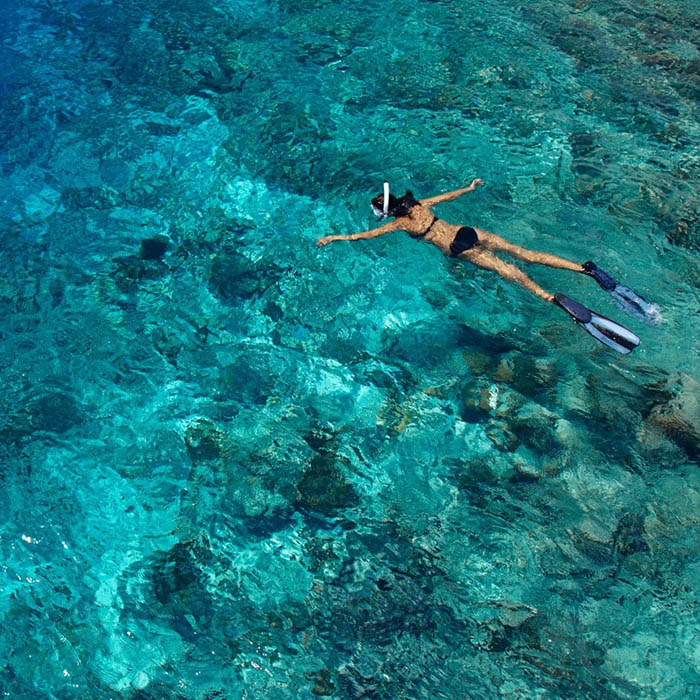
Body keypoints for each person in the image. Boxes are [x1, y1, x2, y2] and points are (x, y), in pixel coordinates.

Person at [316, 180, 658, 354]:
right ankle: (584, 268)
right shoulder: (420, 205)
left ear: (391, 212)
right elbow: (449, 197)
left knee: (512, 274)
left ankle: (551, 298)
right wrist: (470, 186)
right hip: (467, 231)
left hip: (455, 248)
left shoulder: (398, 225)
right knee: (526, 253)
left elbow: (365, 235)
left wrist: (334, 237)